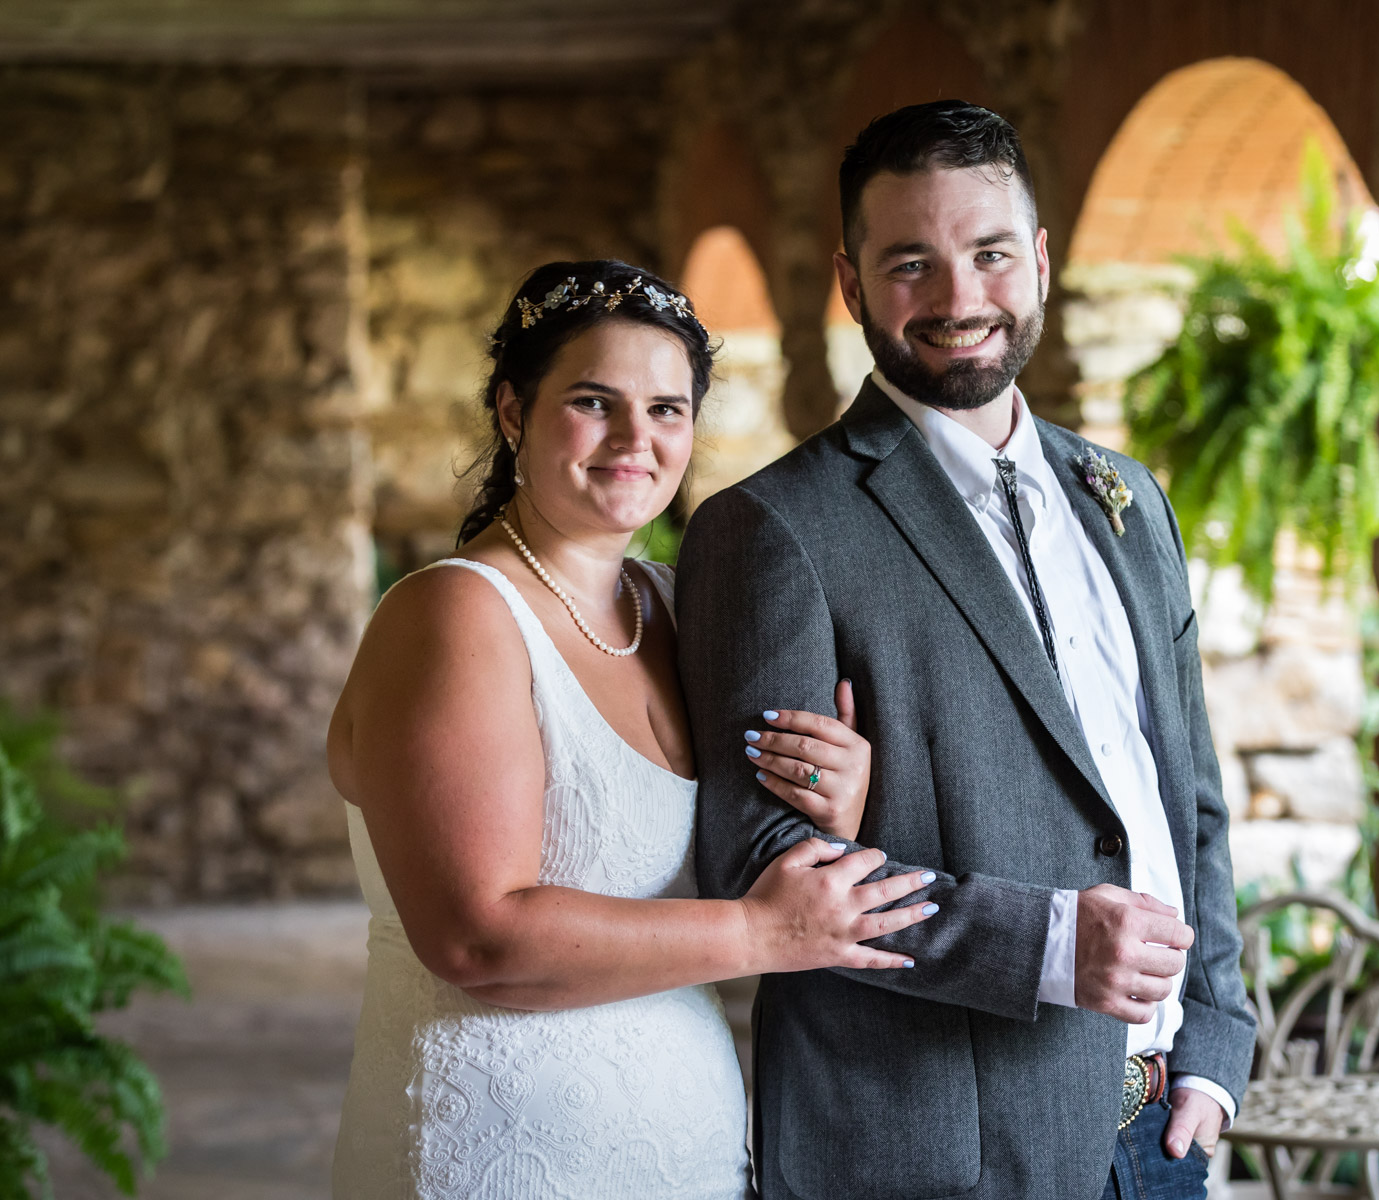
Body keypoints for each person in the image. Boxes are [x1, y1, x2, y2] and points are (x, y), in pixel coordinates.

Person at [680, 102, 1255, 1200]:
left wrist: (1218, 1048)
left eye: (989, 254)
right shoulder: (773, 531)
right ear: (851, 284)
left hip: (1165, 1137)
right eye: (912, 265)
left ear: (1037, 260)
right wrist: (1045, 943)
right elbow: (761, 867)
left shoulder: (1129, 499)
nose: (958, 300)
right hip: (936, 1153)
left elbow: (1189, 796)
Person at [326, 259, 938, 1200]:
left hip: (682, 1149)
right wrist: (760, 934)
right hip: (494, 1155)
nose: (634, 439)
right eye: (592, 401)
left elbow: (742, 854)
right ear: (510, 413)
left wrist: (835, 803)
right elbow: (476, 938)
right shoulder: (455, 616)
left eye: (666, 410)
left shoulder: (673, 606)